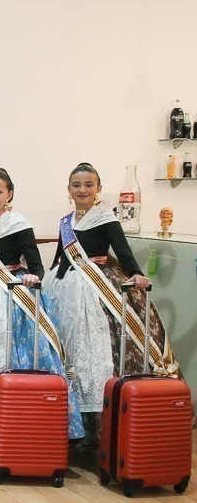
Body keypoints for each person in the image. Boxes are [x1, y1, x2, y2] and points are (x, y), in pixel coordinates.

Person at [47, 162, 180, 443]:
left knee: (98, 350)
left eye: (88, 185)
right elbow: (60, 257)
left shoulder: (105, 218)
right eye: (76, 185)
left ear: (99, 189)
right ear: (68, 189)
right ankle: (67, 422)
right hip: (66, 289)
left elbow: (124, 251)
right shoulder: (65, 222)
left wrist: (136, 274)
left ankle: (98, 426)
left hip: (96, 290)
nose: (82, 190)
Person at [0, 168, 83, 441]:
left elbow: (37, 264)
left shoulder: (18, 223)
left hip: (11, 294)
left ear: (10, 195)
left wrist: (33, 276)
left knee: (17, 355)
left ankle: (18, 421)